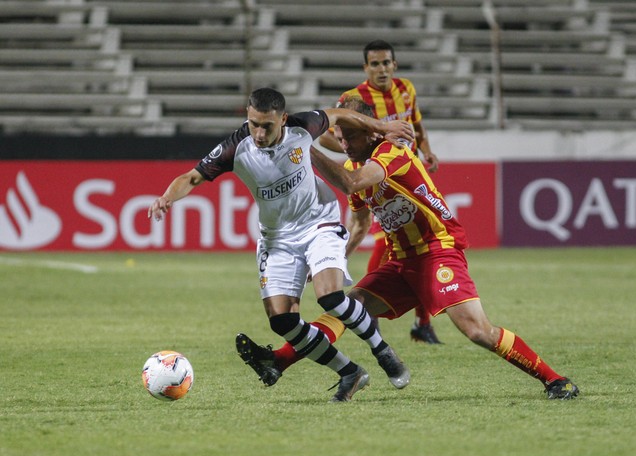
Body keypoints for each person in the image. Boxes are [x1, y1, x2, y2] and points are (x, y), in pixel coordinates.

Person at [242, 98, 580, 400]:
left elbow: (352, 184)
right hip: (400, 263)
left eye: (349, 137)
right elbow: (358, 225)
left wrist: (301, 149)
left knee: (477, 330)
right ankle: (278, 361)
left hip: (437, 252)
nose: (344, 145)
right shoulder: (353, 165)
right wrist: (327, 262)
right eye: (340, 138)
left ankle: (555, 380)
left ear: (370, 133)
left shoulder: (392, 152)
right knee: (346, 307)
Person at [148, 87, 413, 402]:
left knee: (330, 297)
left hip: (319, 222)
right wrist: (167, 197)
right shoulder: (237, 147)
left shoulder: (303, 126)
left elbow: (339, 113)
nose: (259, 133)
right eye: (253, 124)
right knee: (283, 321)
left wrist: (383, 128)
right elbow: (191, 177)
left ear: (283, 119)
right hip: (277, 237)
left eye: (267, 126)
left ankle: (383, 352)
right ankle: (349, 371)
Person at [318, 39, 442, 344]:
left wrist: (426, 150)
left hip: (409, 176)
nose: (381, 69)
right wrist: (354, 153)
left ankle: (417, 322)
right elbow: (327, 137)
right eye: (375, 64)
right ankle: (380, 313)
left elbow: (417, 126)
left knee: (422, 243)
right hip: (376, 175)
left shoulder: (406, 89)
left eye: (386, 62)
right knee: (391, 243)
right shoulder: (352, 98)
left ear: (394, 65)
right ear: (365, 68)